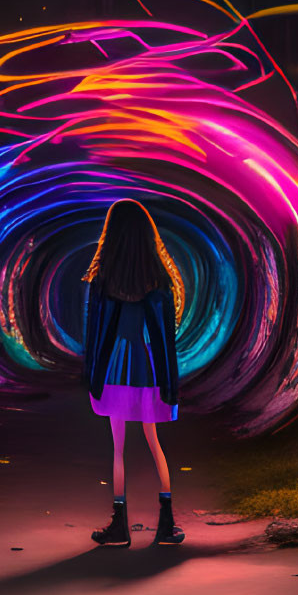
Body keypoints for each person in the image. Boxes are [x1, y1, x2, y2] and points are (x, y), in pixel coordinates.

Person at [82, 198, 184, 546]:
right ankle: (167, 523)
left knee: (119, 448)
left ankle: (119, 526)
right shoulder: (159, 281)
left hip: (113, 370)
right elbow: (165, 335)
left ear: (111, 235)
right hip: (147, 369)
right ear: (146, 234)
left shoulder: (103, 279)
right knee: (154, 443)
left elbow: (94, 332)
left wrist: (91, 375)